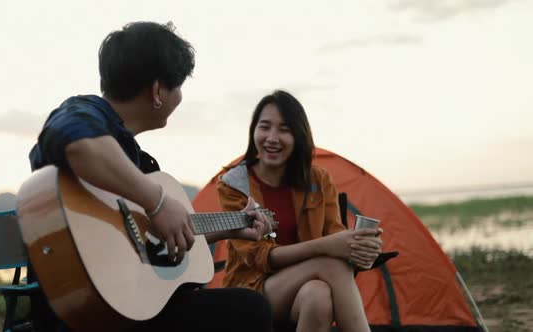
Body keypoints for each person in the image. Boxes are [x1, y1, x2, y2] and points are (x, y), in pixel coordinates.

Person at [27, 21, 273, 332]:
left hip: (123, 305)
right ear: (157, 90)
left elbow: (149, 239)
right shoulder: (83, 111)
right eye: (179, 85)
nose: (180, 96)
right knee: (250, 310)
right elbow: (75, 140)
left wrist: (233, 227)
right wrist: (157, 202)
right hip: (85, 312)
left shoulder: (133, 161)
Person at [217, 90, 384, 332]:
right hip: (249, 291)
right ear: (254, 131)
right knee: (331, 266)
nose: (272, 138)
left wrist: (360, 249)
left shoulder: (318, 179)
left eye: (284, 129)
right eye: (264, 127)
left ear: (298, 135)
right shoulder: (235, 184)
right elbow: (258, 257)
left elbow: (335, 234)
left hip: (304, 287)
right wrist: (327, 247)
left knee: (318, 297)